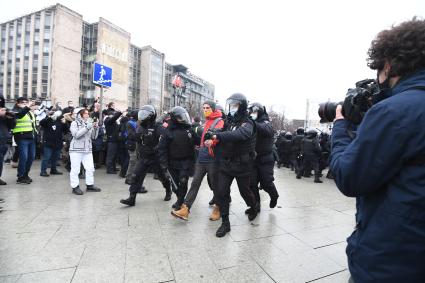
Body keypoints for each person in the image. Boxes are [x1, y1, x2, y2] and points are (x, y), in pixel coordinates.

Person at [330, 18, 425, 283]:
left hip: (394, 260)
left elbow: (349, 177)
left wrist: (340, 128)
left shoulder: (394, 111)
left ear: (389, 64)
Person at [210, 93, 259, 237]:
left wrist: (218, 136)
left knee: (245, 192)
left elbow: (241, 134)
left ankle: (253, 206)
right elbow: (222, 131)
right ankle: (225, 223)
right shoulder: (228, 121)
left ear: (242, 106)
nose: (232, 108)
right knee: (222, 192)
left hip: (242, 165)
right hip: (226, 164)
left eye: (235, 105)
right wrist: (212, 134)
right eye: (230, 105)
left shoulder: (248, 123)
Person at [171, 100, 224, 221]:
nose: (205, 110)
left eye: (208, 108)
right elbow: (201, 137)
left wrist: (213, 140)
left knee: (215, 185)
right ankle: (185, 209)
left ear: (213, 108)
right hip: (201, 158)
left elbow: (219, 134)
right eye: (204, 108)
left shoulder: (219, 121)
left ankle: (218, 207)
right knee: (195, 183)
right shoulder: (206, 122)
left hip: (212, 159)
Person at [120, 105, 172, 206]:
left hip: (155, 158)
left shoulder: (157, 126)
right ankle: (132, 198)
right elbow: (133, 137)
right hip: (143, 157)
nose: (142, 117)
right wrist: (140, 136)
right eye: (141, 114)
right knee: (135, 176)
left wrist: (158, 146)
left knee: (162, 177)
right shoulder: (139, 127)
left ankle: (168, 190)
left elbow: (166, 138)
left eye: (145, 115)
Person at [158, 106, 196, 210]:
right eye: (180, 117)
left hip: (186, 162)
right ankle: (180, 199)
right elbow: (162, 149)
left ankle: (180, 202)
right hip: (172, 163)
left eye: (183, 117)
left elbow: (198, 142)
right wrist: (163, 164)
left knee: (183, 181)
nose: (182, 119)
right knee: (174, 185)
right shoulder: (167, 131)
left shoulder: (190, 130)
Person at [247, 102, 279, 211]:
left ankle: (274, 196)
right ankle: (256, 206)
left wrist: (252, 123)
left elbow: (266, 130)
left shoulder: (265, 122)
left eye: (254, 111)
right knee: (252, 184)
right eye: (251, 112)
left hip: (266, 159)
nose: (252, 114)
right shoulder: (250, 123)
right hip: (253, 159)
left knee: (266, 183)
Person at [69, 108, 101, 195]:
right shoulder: (74, 123)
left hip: (87, 150)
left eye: (88, 113)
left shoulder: (88, 123)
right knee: (75, 169)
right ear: (81, 114)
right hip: (76, 150)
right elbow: (76, 135)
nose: (87, 115)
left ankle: (90, 185)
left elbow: (94, 137)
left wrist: (95, 128)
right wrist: (87, 127)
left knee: (90, 168)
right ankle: (75, 187)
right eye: (85, 113)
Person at [12, 97, 38, 184]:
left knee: (31, 157)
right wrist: (28, 107)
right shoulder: (15, 110)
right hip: (21, 137)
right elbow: (20, 115)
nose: (25, 103)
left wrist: (36, 137)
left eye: (26, 102)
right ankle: (20, 176)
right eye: (23, 102)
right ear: (18, 103)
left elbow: (33, 125)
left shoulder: (29, 112)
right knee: (24, 157)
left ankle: (26, 175)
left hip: (31, 137)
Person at [39, 109, 68, 176]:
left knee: (55, 157)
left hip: (58, 142)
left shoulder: (59, 121)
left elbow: (66, 131)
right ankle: (43, 171)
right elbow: (41, 123)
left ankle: (53, 170)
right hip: (48, 142)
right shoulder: (47, 121)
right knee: (46, 157)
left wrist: (65, 123)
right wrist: (49, 117)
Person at [0, 99, 16, 185]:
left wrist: (10, 118)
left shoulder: (5, 111)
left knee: (0, 161)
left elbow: (12, 126)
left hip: (3, 141)